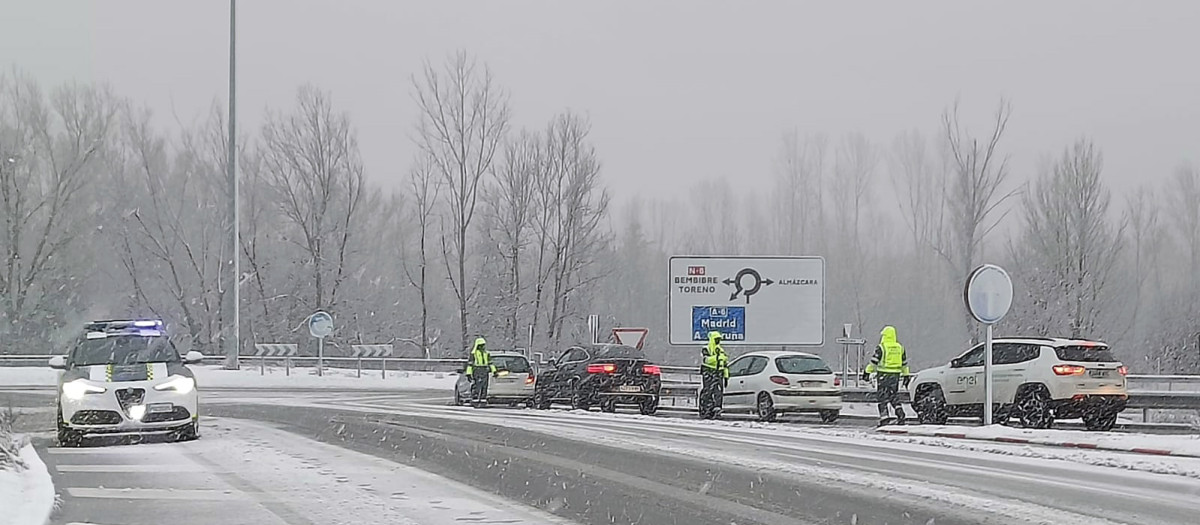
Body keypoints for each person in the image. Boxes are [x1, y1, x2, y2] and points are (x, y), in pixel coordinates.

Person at [862, 325, 911, 426]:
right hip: (895, 376)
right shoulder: (900, 348)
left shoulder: (882, 347)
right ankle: (900, 413)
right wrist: (906, 376)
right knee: (893, 396)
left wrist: (867, 372)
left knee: (882, 397)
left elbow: (873, 362)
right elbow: (904, 364)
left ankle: (884, 418)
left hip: (883, 376)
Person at [698, 330, 730, 419]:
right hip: (708, 372)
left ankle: (717, 408)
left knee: (718, 393)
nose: (718, 341)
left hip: (718, 374)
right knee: (708, 392)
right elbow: (706, 360)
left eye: (719, 339)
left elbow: (725, 364)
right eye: (716, 339)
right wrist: (717, 358)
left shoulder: (720, 350)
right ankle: (706, 409)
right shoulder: (706, 349)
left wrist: (726, 376)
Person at [464, 337, 496, 408]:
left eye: (483, 345)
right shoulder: (474, 354)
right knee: (477, 385)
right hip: (477, 370)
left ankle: (483, 400)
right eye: (481, 345)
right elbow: (470, 364)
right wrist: (469, 373)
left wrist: (494, 371)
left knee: (484, 386)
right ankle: (475, 399)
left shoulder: (486, 353)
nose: (482, 347)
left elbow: (490, 363)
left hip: (484, 370)